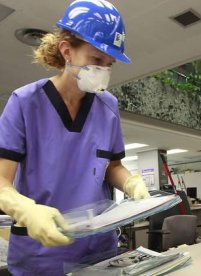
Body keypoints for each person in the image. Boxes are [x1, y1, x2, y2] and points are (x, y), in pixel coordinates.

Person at [0, 0, 150, 274]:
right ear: (67, 51)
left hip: (98, 250)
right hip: (41, 253)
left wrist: (130, 183)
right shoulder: (24, 102)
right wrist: (24, 209)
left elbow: (112, 167)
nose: (103, 70)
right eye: (96, 60)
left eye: (109, 64)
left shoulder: (108, 107)